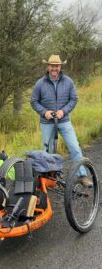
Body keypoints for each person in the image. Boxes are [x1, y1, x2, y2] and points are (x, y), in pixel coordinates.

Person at [30, 54, 93, 187]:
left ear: (60, 67)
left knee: (74, 147)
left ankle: (82, 176)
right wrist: (44, 112)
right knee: (47, 151)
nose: (54, 68)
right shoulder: (40, 83)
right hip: (47, 122)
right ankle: (48, 178)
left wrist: (63, 111)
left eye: (57, 66)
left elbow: (74, 99)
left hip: (64, 121)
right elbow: (34, 101)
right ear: (48, 66)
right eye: (52, 66)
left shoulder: (68, 81)